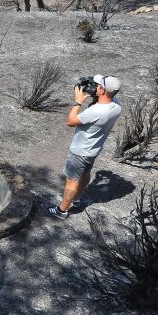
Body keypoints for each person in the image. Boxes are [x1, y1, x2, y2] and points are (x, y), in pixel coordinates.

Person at [47, 74, 122, 219]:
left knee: (71, 180)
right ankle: (76, 198)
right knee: (85, 173)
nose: (96, 87)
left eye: (98, 86)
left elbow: (71, 121)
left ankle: (61, 211)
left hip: (80, 151)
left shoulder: (96, 111)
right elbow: (107, 95)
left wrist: (78, 101)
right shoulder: (116, 105)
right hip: (93, 150)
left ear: (103, 90)